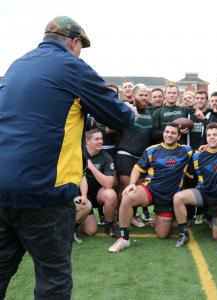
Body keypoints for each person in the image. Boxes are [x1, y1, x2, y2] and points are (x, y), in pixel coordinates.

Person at [0, 16, 134, 299]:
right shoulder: (71, 65)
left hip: (3, 188)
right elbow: (118, 116)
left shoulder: (17, 66)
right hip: (45, 192)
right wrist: (130, 112)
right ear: (73, 43)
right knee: (53, 281)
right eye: (80, 47)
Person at [109, 123, 193, 253]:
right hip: (150, 189)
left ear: (179, 136)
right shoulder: (152, 150)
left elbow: (204, 152)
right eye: (167, 132)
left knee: (162, 235)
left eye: (173, 133)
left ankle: (162, 220)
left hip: (168, 197)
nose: (169, 135)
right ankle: (123, 238)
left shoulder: (187, 151)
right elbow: (137, 168)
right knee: (128, 197)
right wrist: (132, 183)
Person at [173, 123, 217, 247]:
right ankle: (183, 233)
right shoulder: (197, 155)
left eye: (214, 135)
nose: (211, 137)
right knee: (178, 197)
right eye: (209, 135)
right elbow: (188, 174)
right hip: (204, 194)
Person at [115, 84, 153, 227]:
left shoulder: (150, 113)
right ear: (133, 96)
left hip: (141, 156)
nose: (143, 98)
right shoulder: (127, 110)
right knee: (125, 185)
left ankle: (133, 216)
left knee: (136, 186)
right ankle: (120, 217)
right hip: (125, 153)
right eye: (140, 95)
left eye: (145, 95)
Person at [77, 129, 117, 239]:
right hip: (81, 196)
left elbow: (109, 184)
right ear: (87, 141)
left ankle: (108, 226)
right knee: (91, 231)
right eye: (97, 139)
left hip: (97, 194)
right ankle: (73, 226)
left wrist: (92, 167)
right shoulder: (79, 154)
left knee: (111, 194)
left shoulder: (106, 157)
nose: (100, 141)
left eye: (101, 139)